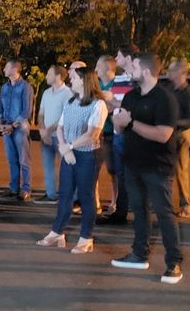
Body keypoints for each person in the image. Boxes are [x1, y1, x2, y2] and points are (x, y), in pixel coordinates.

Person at [110, 53, 184, 285]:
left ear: (145, 71)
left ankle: (174, 263)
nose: (128, 70)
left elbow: (163, 134)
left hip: (158, 166)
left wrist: (131, 123)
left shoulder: (165, 98)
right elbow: (121, 128)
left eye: (133, 66)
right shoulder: (130, 96)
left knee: (164, 214)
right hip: (133, 164)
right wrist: (118, 124)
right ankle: (139, 254)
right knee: (139, 211)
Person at [37, 67, 108, 252]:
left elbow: (92, 134)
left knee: (86, 196)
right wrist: (64, 147)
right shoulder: (71, 101)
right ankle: (57, 232)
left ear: (84, 81)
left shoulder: (98, 104)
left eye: (74, 78)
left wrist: (69, 147)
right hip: (69, 153)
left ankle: (86, 238)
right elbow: (60, 127)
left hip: (88, 155)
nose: (71, 81)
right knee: (65, 194)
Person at [99, 45, 138, 224]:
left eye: (119, 55)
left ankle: (138, 214)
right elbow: (113, 104)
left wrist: (113, 102)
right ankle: (120, 212)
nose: (116, 58)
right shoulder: (120, 79)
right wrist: (108, 102)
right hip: (117, 132)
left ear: (128, 58)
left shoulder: (137, 79)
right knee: (120, 173)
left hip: (132, 133)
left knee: (133, 174)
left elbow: (133, 107)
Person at [165, 60, 190, 219]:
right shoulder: (170, 89)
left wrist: (173, 123)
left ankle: (186, 206)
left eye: (171, 70)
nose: (168, 73)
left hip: (181, 135)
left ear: (181, 73)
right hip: (170, 134)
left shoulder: (188, 93)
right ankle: (165, 204)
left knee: (180, 170)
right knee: (167, 170)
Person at [0, 60, 34, 202]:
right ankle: (13, 188)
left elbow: (26, 111)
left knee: (23, 159)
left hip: (20, 127)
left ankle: (26, 189)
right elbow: (0, 107)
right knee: (12, 159)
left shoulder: (25, 87)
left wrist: (12, 126)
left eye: (6, 67)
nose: (4, 69)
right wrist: (1, 123)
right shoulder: (5, 87)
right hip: (6, 127)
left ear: (14, 69)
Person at [35, 65, 71, 204]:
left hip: (62, 137)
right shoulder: (46, 93)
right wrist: (42, 131)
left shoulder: (67, 93)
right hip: (46, 136)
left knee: (65, 168)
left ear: (58, 76)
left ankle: (65, 196)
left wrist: (48, 131)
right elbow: (41, 114)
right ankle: (50, 194)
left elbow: (66, 116)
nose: (46, 76)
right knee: (48, 166)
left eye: (49, 74)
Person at [95, 55, 118, 215]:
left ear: (109, 68)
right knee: (93, 170)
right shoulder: (96, 84)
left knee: (113, 170)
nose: (96, 69)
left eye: (99, 65)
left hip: (112, 134)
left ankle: (115, 201)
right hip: (96, 133)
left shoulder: (118, 84)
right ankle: (95, 202)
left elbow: (116, 107)